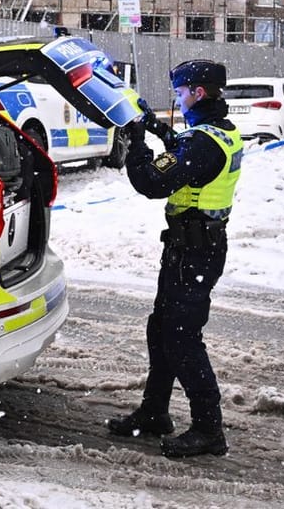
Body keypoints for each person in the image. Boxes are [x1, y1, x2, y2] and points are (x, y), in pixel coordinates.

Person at [105, 59, 244, 458]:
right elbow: (185, 150)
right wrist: (155, 127)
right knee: (162, 329)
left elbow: (152, 181)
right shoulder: (219, 132)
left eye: (181, 93)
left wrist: (135, 142)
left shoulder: (201, 143)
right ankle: (154, 412)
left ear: (198, 92)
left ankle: (208, 428)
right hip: (194, 248)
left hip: (194, 252)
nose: (179, 100)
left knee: (182, 338)